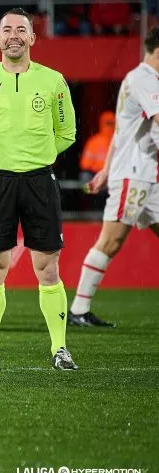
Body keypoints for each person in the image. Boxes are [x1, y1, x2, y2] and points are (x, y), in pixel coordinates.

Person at [0, 7, 78, 371]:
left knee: (48, 268)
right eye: (7, 30)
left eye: (21, 30)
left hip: (40, 181)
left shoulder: (53, 81)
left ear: (32, 38)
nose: (14, 36)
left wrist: (39, 156)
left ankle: (60, 349)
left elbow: (67, 132)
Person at [72, 28, 159, 328]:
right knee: (110, 240)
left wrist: (105, 169)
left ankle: (79, 310)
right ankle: (79, 309)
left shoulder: (142, 79)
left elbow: (122, 132)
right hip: (134, 175)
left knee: (112, 240)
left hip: (148, 174)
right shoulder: (144, 78)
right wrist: (111, 171)